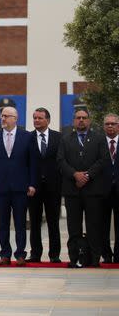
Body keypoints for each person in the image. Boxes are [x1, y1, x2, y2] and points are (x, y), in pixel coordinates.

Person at [57, 107, 110, 268]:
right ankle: (74, 258)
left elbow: (103, 160)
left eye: (84, 118)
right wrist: (75, 175)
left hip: (93, 190)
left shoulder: (99, 138)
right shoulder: (65, 139)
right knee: (74, 227)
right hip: (72, 190)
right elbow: (61, 160)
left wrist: (87, 175)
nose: (81, 120)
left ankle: (94, 258)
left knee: (94, 225)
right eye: (78, 118)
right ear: (74, 121)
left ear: (89, 120)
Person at [0, 105, 37, 266]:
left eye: (6, 116)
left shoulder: (27, 137)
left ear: (15, 119)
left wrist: (32, 184)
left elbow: (32, 163)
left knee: (21, 222)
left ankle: (20, 254)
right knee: (3, 223)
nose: (3, 118)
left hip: (21, 187)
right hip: (1, 188)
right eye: (2, 115)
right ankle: (5, 254)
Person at [26, 107, 62, 263]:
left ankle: (54, 255)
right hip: (34, 187)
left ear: (48, 120)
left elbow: (62, 162)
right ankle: (35, 254)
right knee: (34, 222)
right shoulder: (28, 138)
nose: (36, 121)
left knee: (53, 222)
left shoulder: (59, 138)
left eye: (40, 118)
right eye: (34, 118)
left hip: (53, 187)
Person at [102, 113, 119, 263]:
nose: (110, 126)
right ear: (103, 126)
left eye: (113, 123)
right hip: (102, 190)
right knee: (103, 224)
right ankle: (106, 255)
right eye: (107, 124)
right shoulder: (98, 142)